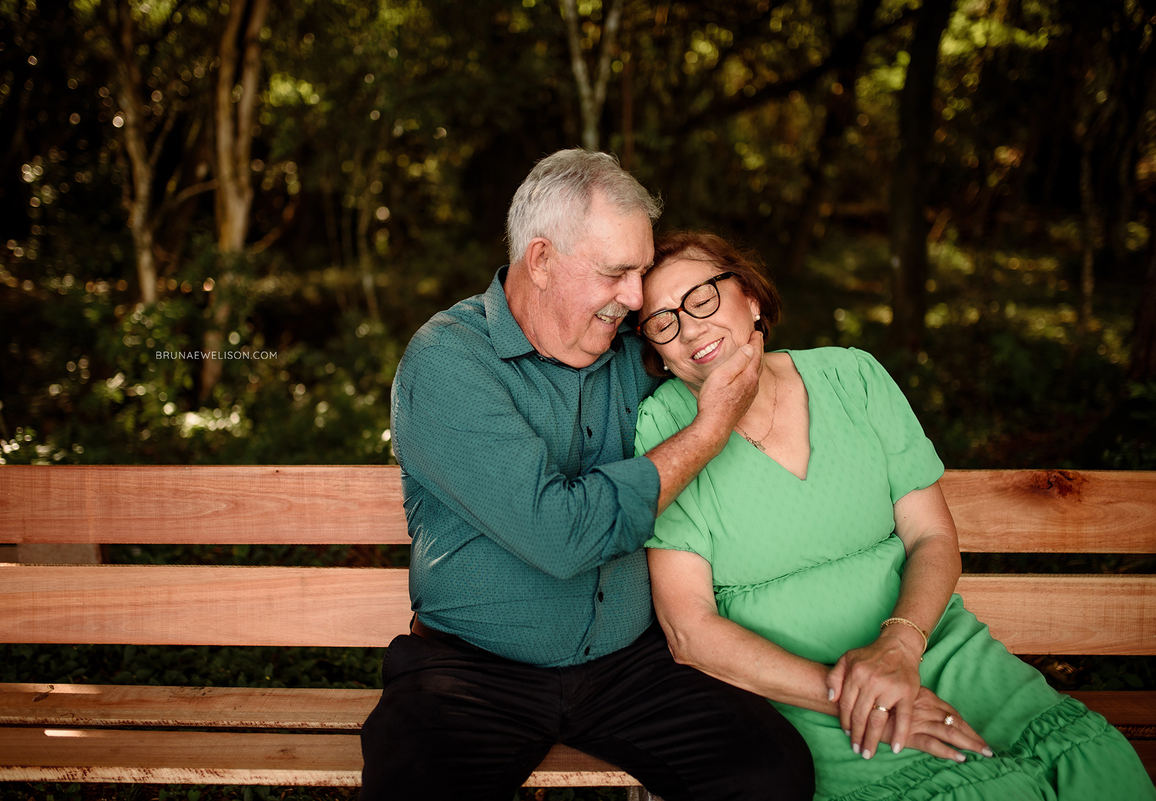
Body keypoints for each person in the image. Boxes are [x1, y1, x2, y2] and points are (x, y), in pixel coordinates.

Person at [634, 231, 1156, 800]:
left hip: (932, 647)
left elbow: (931, 535)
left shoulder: (853, 378)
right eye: (662, 321)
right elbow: (690, 632)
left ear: (751, 298)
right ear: (657, 351)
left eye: (702, 298)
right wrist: (854, 692)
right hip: (802, 693)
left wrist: (899, 649)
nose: (689, 328)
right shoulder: (664, 431)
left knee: (1099, 771)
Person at [361, 152, 815, 801]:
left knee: (769, 769)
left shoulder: (634, 346)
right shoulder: (448, 362)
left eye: (641, 270)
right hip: (470, 672)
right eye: (617, 272)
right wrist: (707, 431)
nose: (635, 296)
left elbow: (722, 347)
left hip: (631, 667)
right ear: (541, 260)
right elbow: (562, 535)